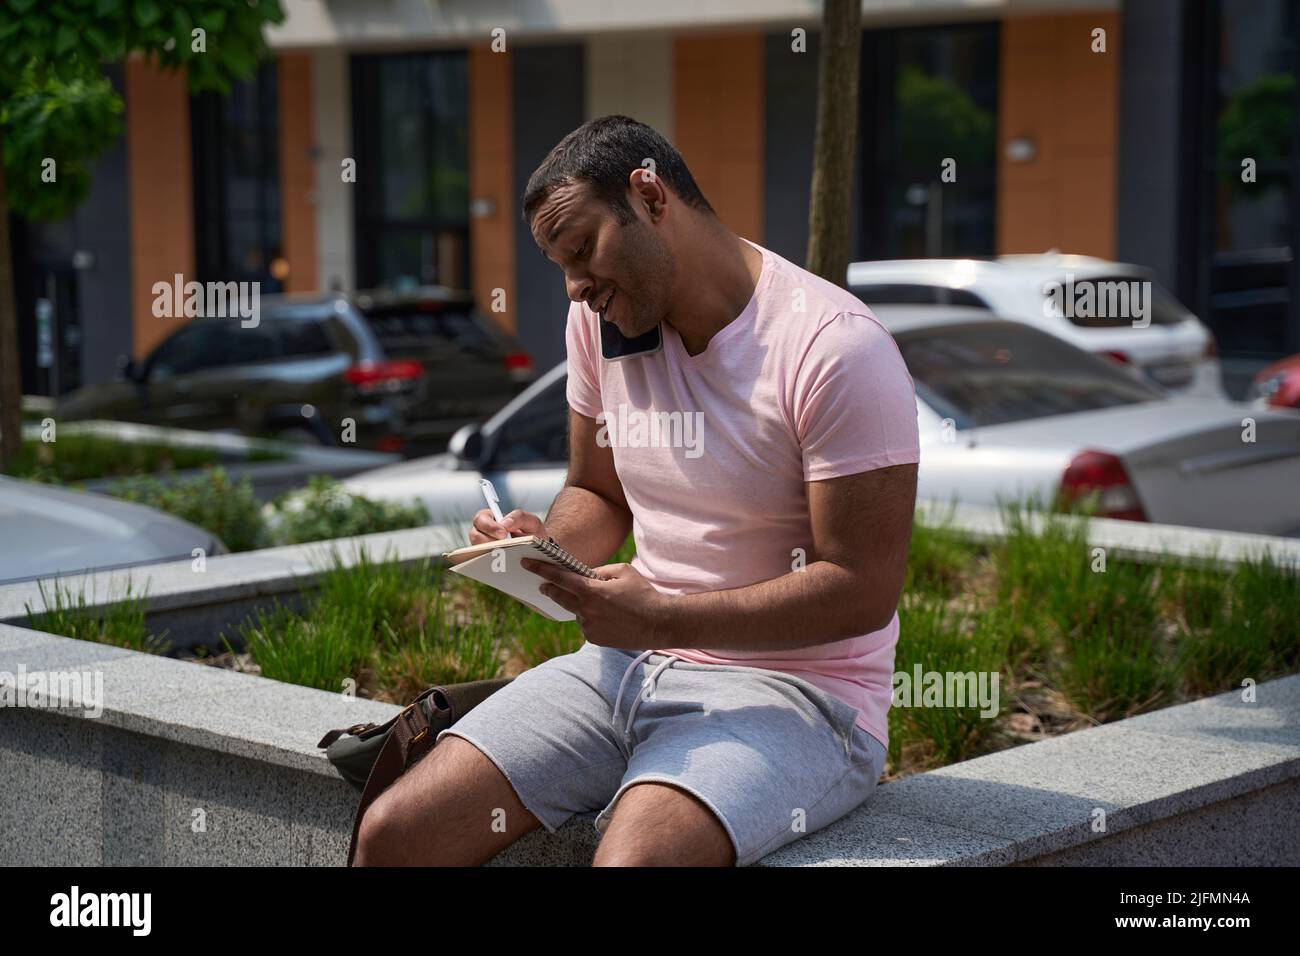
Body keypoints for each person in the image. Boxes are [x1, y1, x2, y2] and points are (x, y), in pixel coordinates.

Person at [355, 115, 920, 867]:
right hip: (627, 664)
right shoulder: (602, 322)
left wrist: (665, 614)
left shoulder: (833, 347)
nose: (576, 285)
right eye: (560, 264)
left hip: (803, 697)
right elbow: (598, 492)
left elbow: (862, 588)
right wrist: (547, 552)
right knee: (395, 834)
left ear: (651, 196)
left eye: (583, 249)